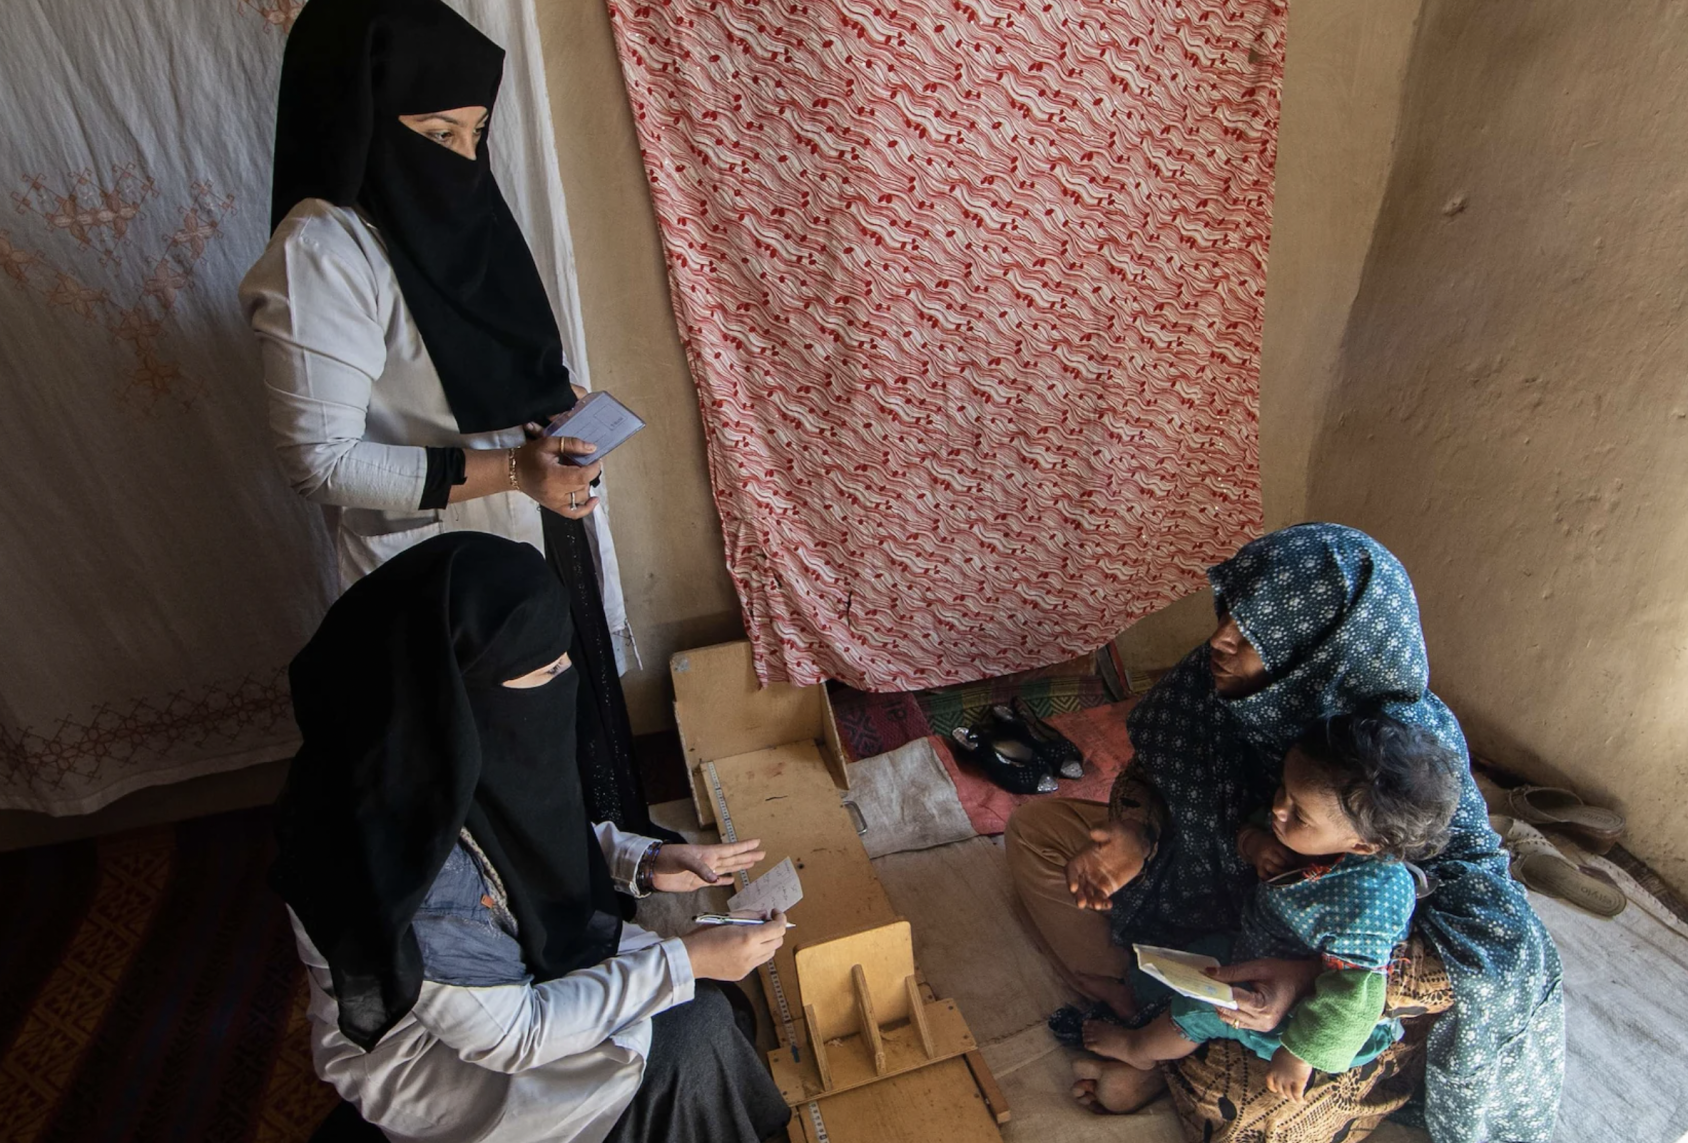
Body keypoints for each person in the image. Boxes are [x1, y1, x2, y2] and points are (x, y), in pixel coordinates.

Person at [1005, 523, 1564, 1143]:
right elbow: (1152, 772)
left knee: (1259, 1104)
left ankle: (1159, 1040)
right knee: (1036, 831)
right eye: (1229, 615)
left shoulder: (1404, 755)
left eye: (1253, 634)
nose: (1220, 639)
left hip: (1314, 959)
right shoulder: (1209, 681)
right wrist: (1136, 828)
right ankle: (1141, 1004)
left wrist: (1304, 978)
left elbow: (1496, 948)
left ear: (1320, 645)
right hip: (1207, 890)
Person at [240, 0, 653, 834]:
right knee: (487, 786)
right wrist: (514, 471)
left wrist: (554, 408)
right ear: (362, 119)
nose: (464, 160)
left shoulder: (463, 217)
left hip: (536, 534)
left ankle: (610, 888)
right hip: (443, 571)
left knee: (565, 755)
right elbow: (320, 462)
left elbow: (490, 362)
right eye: (437, 135)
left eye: (475, 135)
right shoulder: (324, 254)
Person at [273, 533, 792, 1142]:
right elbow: (514, 1035)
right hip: (458, 1060)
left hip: (503, 989)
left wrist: (646, 862)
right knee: (694, 1034)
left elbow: (520, 846)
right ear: (459, 688)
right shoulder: (402, 865)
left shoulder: (423, 751)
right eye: (545, 668)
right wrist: (688, 958)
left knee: (709, 1007)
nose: (566, 679)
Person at [1082, 711, 1461, 1103]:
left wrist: (1300, 1055)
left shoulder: (1369, 897)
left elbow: (1354, 993)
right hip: (1256, 945)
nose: (1279, 809)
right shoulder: (1313, 823)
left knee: (1196, 1007)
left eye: (1299, 814)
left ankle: (1139, 1051)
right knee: (1181, 961)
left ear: (1362, 846)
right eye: (1283, 791)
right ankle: (1133, 997)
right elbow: (1251, 827)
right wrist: (1256, 845)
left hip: (1302, 1013)